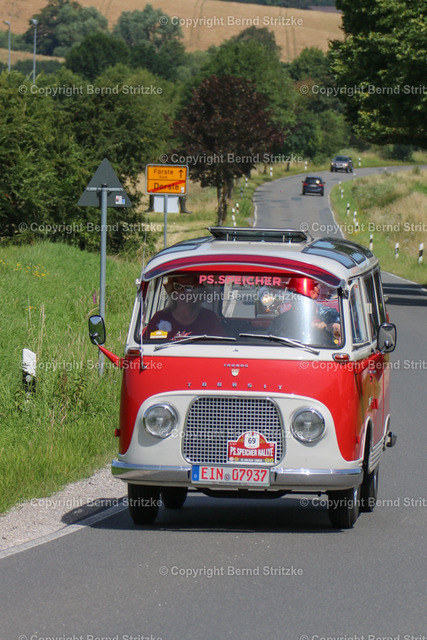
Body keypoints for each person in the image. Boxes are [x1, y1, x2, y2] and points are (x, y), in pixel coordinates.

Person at [145, 274, 223, 341]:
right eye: (178, 286)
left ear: (197, 292)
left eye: (188, 288)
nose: (182, 292)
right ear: (173, 290)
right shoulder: (160, 318)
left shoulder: (209, 319)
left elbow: (220, 347)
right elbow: (147, 347)